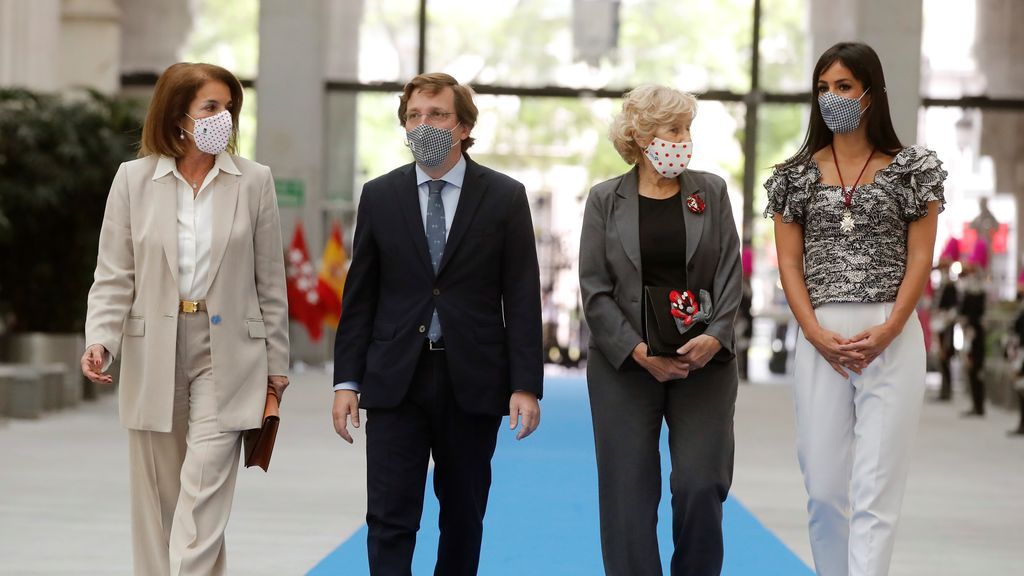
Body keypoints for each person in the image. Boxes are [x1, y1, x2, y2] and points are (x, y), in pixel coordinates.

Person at [80, 62, 289, 576]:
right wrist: (100, 338)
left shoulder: (254, 181)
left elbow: (271, 281)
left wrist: (277, 366)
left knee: (203, 491)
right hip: (154, 347)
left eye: (230, 108)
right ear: (179, 117)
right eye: (211, 107)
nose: (224, 118)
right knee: (161, 498)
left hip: (231, 355)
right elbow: (114, 272)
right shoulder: (133, 180)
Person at [331, 72, 543, 576]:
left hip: (472, 378)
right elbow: (360, 297)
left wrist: (525, 385)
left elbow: (521, 294)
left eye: (438, 114)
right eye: (414, 116)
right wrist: (346, 380)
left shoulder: (504, 197)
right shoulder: (379, 196)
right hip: (394, 379)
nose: (423, 124)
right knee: (389, 517)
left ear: (464, 127)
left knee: (463, 516)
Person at [765, 42, 946, 576]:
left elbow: (920, 258)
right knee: (823, 489)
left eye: (843, 87)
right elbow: (789, 264)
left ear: (871, 93)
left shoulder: (914, 169)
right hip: (820, 337)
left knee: (875, 490)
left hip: (891, 332)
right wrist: (814, 332)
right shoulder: (793, 175)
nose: (831, 98)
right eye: (822, 88)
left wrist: (891, 327)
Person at [579, 84, 741, 576]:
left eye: (687, 128)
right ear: (642, 135)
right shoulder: (605, 200)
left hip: (704, 364)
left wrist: (715, 335)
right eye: (674, 129)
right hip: (626, 367)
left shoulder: (710, 192)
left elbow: (731, 275)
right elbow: (594, 289)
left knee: (699, 484)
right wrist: (638, 350)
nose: (684, 139)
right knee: (627, 494)